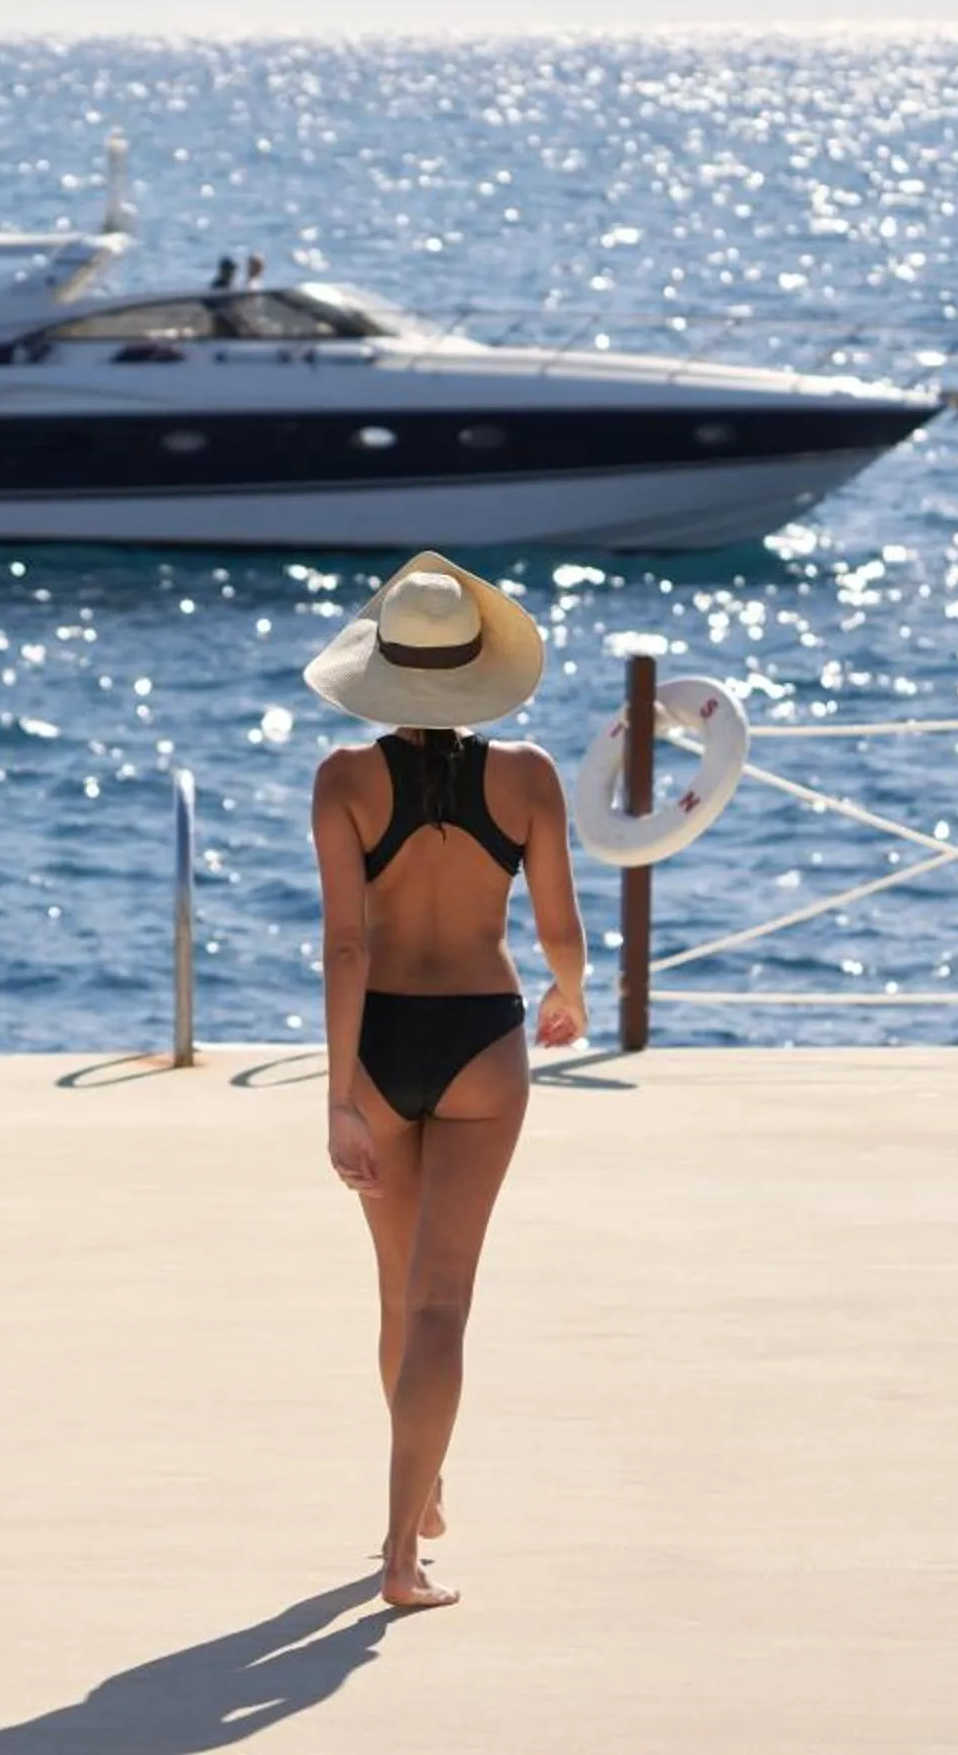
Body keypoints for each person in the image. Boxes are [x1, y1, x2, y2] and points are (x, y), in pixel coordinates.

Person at [302, 552, 586, 1611]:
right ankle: (398, 1553)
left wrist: (338, 1096)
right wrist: (572, 992)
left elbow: (344, 946)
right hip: (481, 1041)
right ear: (477, 672)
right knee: (441, 1302)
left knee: (394, 1290)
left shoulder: (342, 779)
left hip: (376, 1045)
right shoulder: (526, 776)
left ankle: (421, 1494)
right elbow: (559, 923)